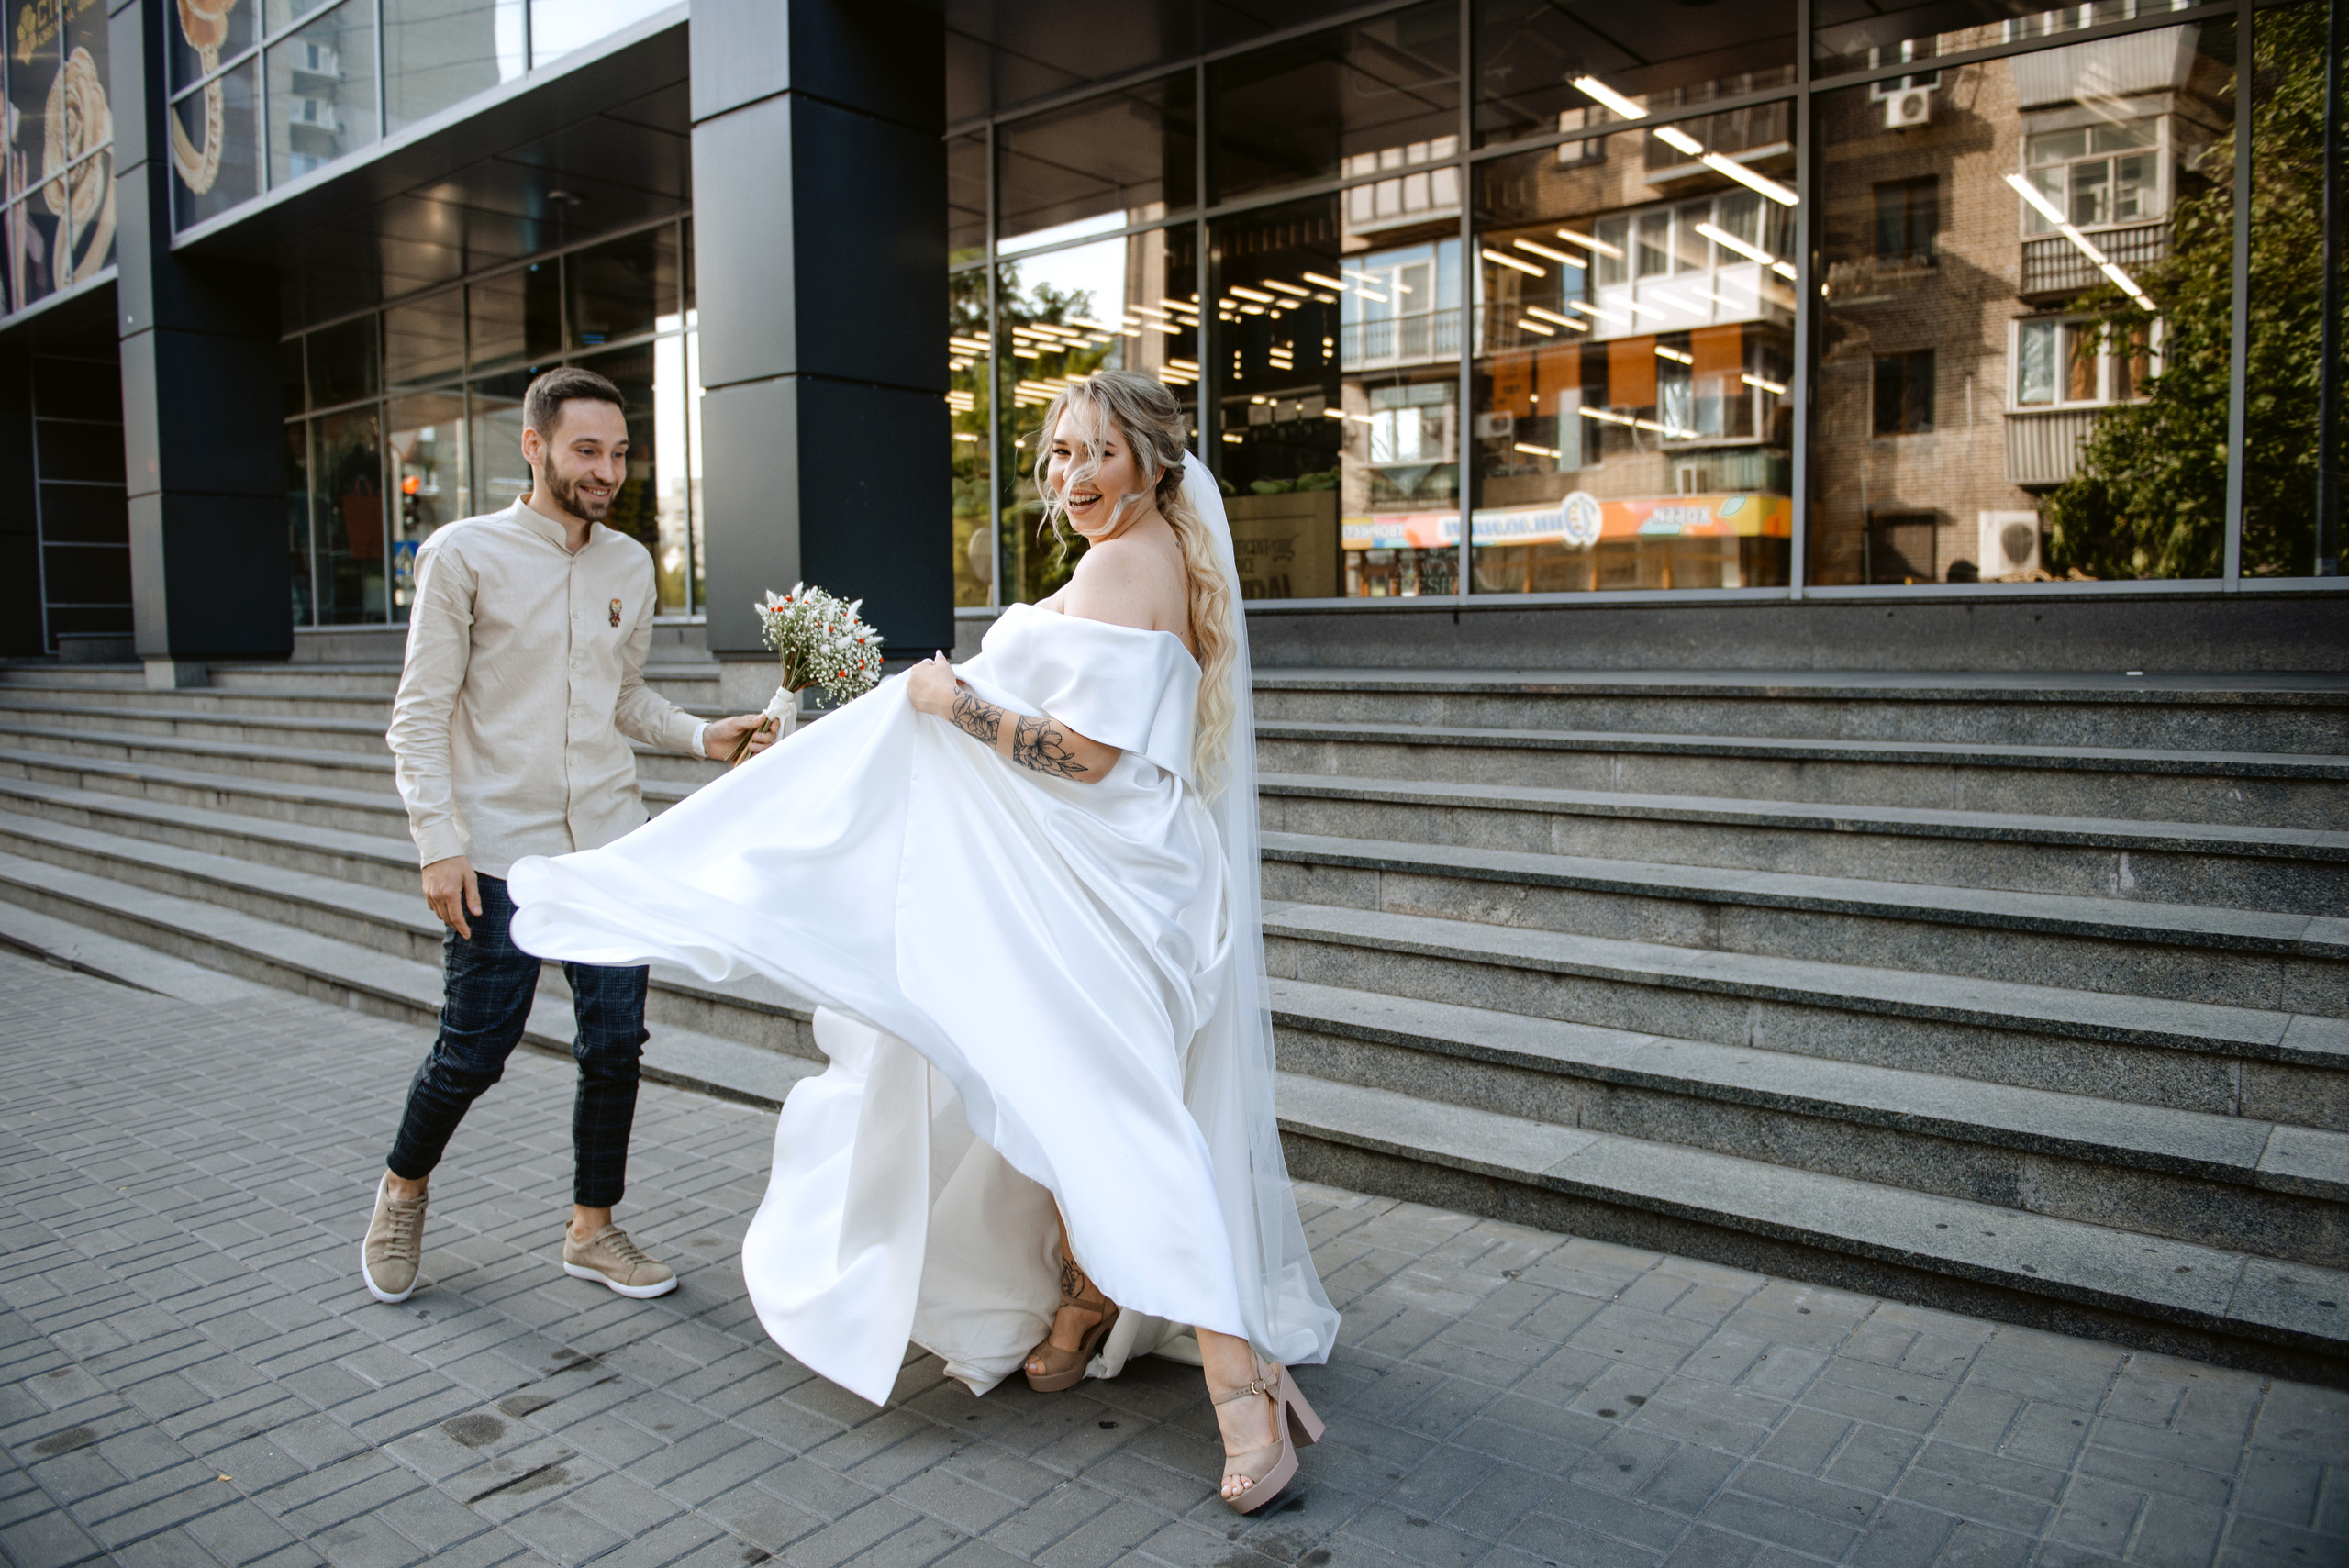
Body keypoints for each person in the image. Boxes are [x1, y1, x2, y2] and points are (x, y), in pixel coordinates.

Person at [505, 370, 1340, 1512]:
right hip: (1103, 882)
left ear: (1152, 460)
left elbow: (1084, 756)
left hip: (1092, 897)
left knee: (1115, 1122)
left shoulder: (1121, 563)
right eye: (1056, 455)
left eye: (1097, 451)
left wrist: (955, 707)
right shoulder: (1155, 561)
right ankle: (1082, 1299)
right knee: (1060, 1097)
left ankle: (1247, 1394)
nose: (1073, 476)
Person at [362, 366, 777, 1308]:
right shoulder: (462, 555)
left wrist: (700, 733)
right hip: (498, 852)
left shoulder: (628, 564)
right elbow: (418, 714)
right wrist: (438, 839)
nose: (606, 469)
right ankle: (403, 1187)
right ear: (534, 445)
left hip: (610, 849)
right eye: (586, 449)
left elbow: (622, 696)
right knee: (473, 1049)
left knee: (615, 1043)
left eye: (620, 451)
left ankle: (593, 1227)